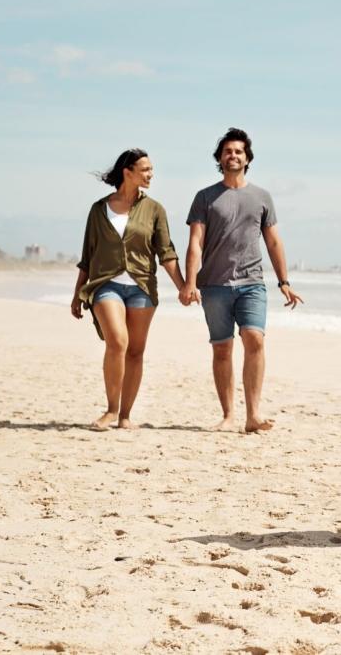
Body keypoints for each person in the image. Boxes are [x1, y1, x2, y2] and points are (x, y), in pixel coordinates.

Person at [181, 128, 303, 434]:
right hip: (214, 285)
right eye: (227, 151)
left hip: (252, 282)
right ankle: (227, 416)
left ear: (247, 158)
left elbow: (274, 242)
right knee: (222, 349)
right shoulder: (205, 197)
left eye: (238, 151)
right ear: (220, 159)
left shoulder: (262, 197)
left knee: (255, 340)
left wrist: (284, 281)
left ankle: (253, 414)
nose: (232, 155)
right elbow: (195, 242)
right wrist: (190, 283)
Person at [71, 149, 186, 430]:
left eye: (151, 169)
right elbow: (88, 254)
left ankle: (125, 416)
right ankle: (111, 410)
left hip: (142, 287)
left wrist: (184, 287)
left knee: (135, 352)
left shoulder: (155, 209)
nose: (151, 174)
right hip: (105, 284)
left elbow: (166, 253)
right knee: (118, 342)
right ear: (128, 172)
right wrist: (78, 293)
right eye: (145, 169)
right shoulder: (99, 209)